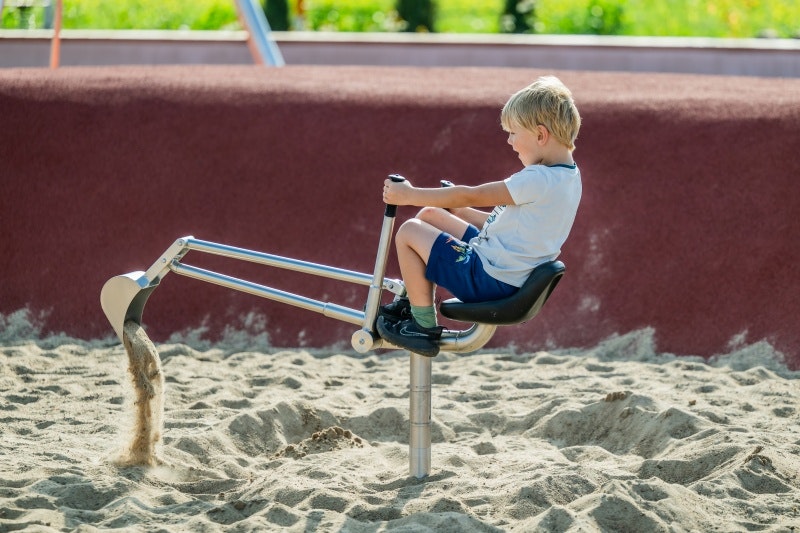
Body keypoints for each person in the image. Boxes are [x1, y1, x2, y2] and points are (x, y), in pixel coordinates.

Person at [376, 75, 582, 357]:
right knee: (431, 215)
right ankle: (413, 298)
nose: (510, 141)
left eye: (513, 133)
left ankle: (420, 324)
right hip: (506, 265)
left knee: (410, 231)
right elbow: (510, 228)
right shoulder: (568, 177)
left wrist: (409, 195)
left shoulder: (537, 179)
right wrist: (462, 214)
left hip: (489, 277)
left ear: (540, 135)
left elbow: (470, 194)